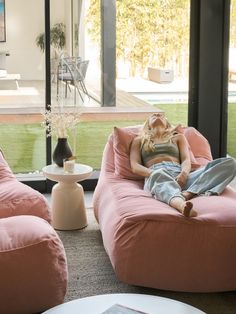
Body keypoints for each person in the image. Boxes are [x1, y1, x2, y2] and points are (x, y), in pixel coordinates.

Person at [130, 112, 236, 218]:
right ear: (148, 124)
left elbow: (186, 159)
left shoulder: (178, 137)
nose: (157, 115)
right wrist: (153, 172)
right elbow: (135, 166)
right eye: (154, 115)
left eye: (161, 115)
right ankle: (181, 205)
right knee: (159, 176)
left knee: (231, 163)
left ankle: (189, 193)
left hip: (180, 175)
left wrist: (184, 174)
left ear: (167, 123)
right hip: (157, 175)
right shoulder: (139, 140)